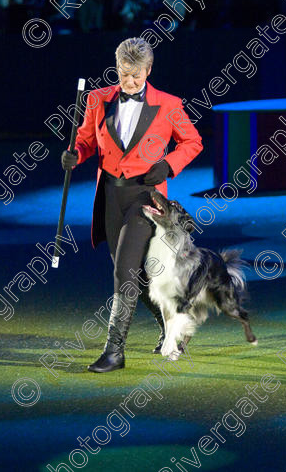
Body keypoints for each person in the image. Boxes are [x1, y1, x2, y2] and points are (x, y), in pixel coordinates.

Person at [61, 37, 203, 373]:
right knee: (135, 278)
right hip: (111, 195)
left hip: (145, 199)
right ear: (117, 69)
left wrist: (168, 165)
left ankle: (114, 352)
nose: (130, 81)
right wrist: (75, 155)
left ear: (148, 70)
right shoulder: (97, 99)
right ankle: (177, 328)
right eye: (124, 74)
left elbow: (193, 141)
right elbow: (83, 139)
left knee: (124, 271)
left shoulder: (168, 104)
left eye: (137, 75)